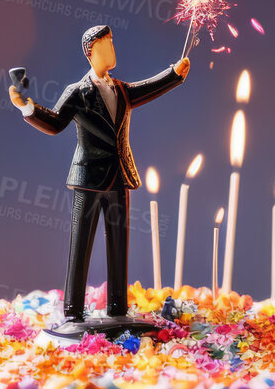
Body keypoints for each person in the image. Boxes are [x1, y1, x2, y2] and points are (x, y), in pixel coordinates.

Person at [10, 25, 188, 327]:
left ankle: (118, 307)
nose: (112, 50)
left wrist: (174, 74)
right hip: (88, 180)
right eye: (107, 45)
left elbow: (147, 88)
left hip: (119, 177)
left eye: (112, 43)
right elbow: (54, 123)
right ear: (91, 51)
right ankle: (73, 311)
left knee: (120, 244)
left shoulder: (120, 89)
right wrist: (28, 108)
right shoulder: (78, 92)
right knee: (81, 245)